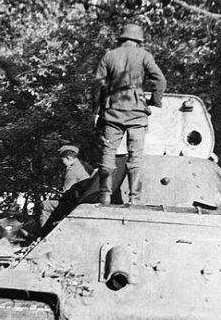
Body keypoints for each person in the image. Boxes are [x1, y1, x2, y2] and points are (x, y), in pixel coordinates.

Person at [92, 23, 167, 204]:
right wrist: (154, 101)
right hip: (137, 112)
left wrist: (97, 110)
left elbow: (98, 86)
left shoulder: (109, 56)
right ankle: (134, 198)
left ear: (121, 38)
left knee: (108, 154)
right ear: (138, 40)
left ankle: (105, 196)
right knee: (135, 157)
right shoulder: (144, 55)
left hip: (114, 112)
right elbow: (160, 80)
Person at [39, 144, 92, 227]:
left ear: (68, 158)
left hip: (74, 204)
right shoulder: (83, 167)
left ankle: (43, 235)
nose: (62, 162)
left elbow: (65, 193)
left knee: (45, 205)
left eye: (62, 159)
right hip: (81, 201)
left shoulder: (72, 171)